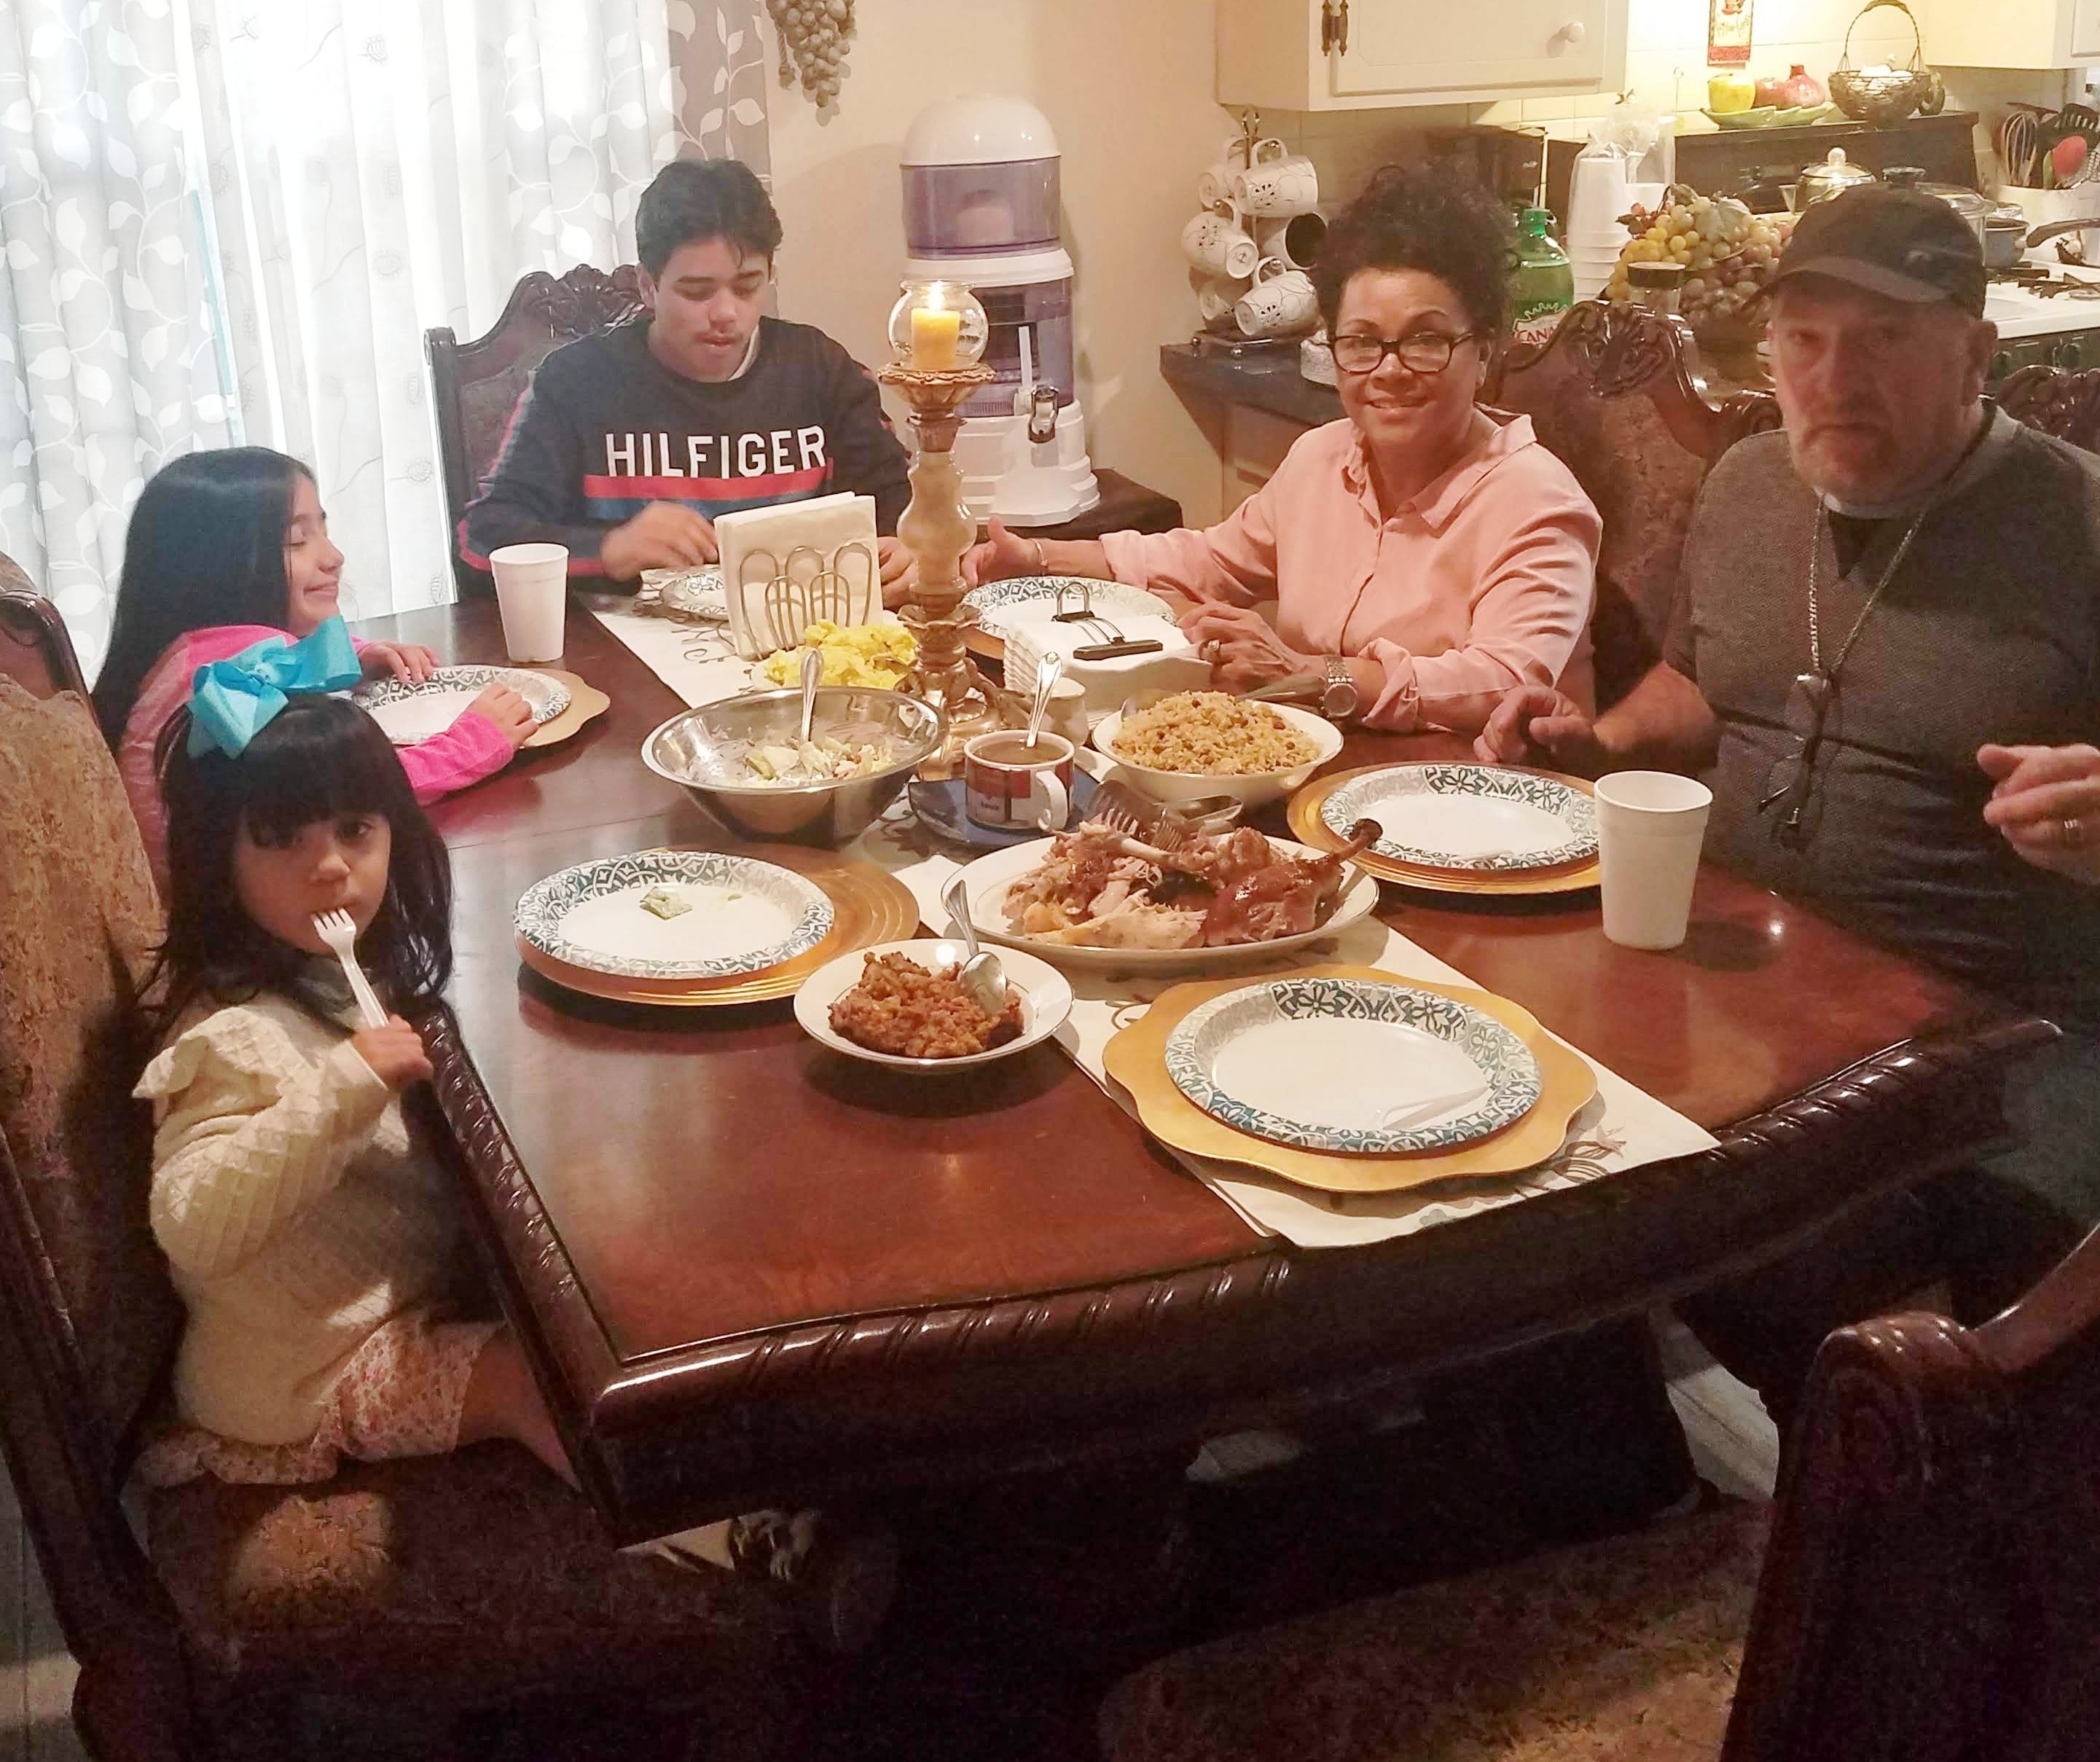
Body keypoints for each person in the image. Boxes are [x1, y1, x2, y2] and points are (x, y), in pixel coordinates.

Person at [1476, 186, 2100, 1427]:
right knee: (1504, 1143)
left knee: (1810, 1275)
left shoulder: (2078, 521)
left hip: (1994, 1037)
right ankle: (1612, 1476)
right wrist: (1595, 739)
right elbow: (1699, 682)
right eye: (1803, 338)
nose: (1833, 377)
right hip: (1737, 977)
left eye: (1884, 339)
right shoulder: (1752, 481)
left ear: (1975, 353)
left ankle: (1896, 1498)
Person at [132, 658, 898, 1651]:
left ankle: (767, 1439)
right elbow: (190, 1224)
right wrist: (340, 1086)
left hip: (381, 1297)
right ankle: (740, 1539)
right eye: (281, 839)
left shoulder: (328, 974)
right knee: (523, 1379)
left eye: (356, 830)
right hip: (304, 1373)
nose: (329, 867)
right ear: (216, 858)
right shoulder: (227, 1041)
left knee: (598, 1276)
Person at [964, 167, 1599, 733]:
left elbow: (1503, 682)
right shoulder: (1322, 458)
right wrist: (1039, 559)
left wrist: (1310, 675)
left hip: (1477, 802)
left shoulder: (1535, 500)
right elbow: (1211, 561)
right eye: (1362, 342)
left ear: (1484, 351)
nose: (1390, 369)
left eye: (1426, 341)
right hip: (1323, 771)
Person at [461, 157, 915, 597]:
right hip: (621, 636)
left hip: (798, 629)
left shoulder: (821, 369)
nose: (726, 314)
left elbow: (901, 506)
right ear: (648, 287)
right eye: (697, 292)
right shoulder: (574, 382)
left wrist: (907, 547)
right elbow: (480, 540)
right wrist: (610, 549)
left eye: (747, 287)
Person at [93, 447, 533, 888]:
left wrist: (357, 654)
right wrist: (473, 742)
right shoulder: (235, 687)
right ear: (218, 567)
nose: (333, 556)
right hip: (248, 917)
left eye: (324, 530)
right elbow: (349, 796)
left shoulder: (193, 650)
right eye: (296, 542)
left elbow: (285, 662)